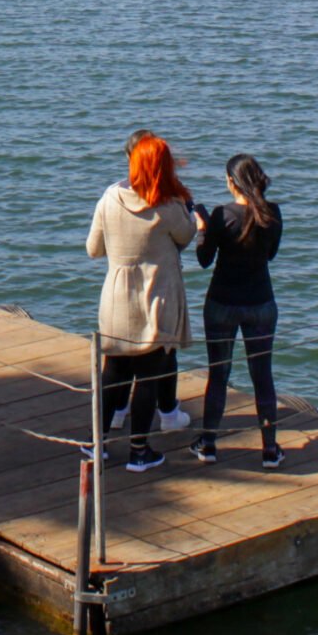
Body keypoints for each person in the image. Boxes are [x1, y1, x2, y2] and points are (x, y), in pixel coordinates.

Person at [86, 131, 198, 472]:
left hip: (116, 299)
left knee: (113, 372)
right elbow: (189, 234)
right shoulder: (166, 206)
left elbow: (93, 249)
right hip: (154, 300)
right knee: (148, 376)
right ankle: (139, 451)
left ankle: (97, 445)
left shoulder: (109, 197)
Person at [193, 153, 284, 468]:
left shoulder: (221, 215)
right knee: (263, 377)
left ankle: (208, 445)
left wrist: (203, 227)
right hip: (261, 304)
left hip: (222, 304)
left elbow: (205, 259)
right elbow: (269, 254)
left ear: (232, 182)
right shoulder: (273, 214)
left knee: (218, 375)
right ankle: (270, 450)